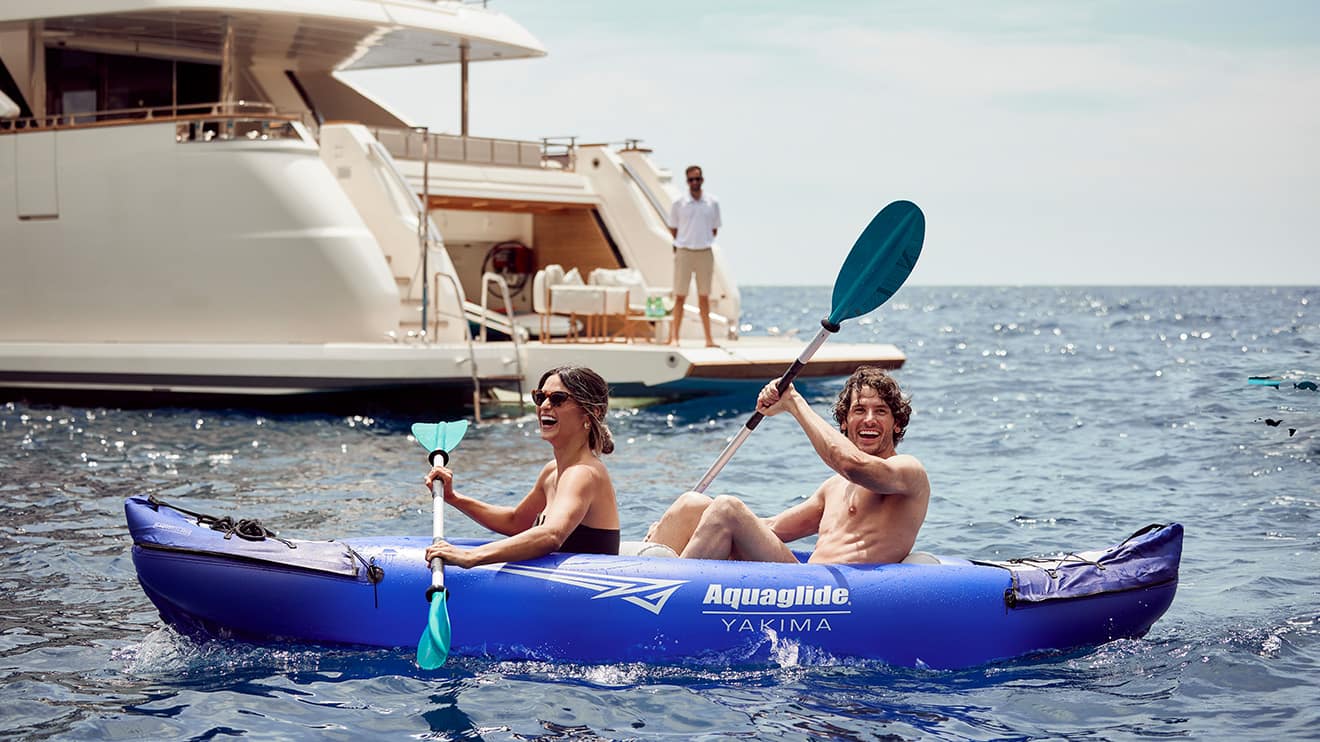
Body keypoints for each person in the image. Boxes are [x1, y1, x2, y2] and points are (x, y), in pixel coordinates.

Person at [645, 367, 929, 564]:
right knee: (691, 503)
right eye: (859, 410)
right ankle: (641, 572)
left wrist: (793, 402)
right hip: (802, 583)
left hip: (845, 595)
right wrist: (688, 521)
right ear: (844, 422)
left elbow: (851, 464)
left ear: (897, 423)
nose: (869, 419)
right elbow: (772, 527)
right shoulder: (834, 487)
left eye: (880, 411)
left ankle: (666, 601)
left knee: (727, 508)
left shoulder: (907, 471)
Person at [422, 365, 619, 568]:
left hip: (586, 596)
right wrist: (454, 497)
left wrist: (472, 556)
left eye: (558, 399)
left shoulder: (582, 474)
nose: (545, 406)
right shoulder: (552, 472)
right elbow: (516, 522)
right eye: (540, 397)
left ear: (590, 413)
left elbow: (551, 535)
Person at [668, 164, 721, 347]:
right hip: (684, 251)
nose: (695, 182)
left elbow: (714, 229)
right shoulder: (678, 203)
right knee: (680, 296)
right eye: (691, 180)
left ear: (702, 180)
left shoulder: (712, 203)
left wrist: (701, 241)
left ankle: (709, 339)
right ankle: (674, 337)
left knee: (704, 296)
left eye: (697, 179)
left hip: (704, 251)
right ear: (687, 181)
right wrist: (685, 242)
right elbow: (673, 228)